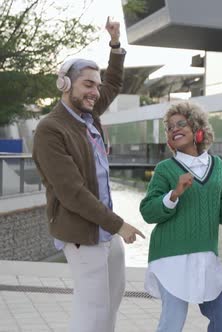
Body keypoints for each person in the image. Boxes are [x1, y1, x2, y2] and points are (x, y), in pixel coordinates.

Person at [32, 17, 145, 332]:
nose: (96, 92)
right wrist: (119, 224)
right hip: (82, 233)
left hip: (105, 230)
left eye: (97, 85)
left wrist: (115, 44)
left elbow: (115, 83)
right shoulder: (51, 129)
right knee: (92, 310)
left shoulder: (88, 113)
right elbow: (72, 192)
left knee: (112, 301)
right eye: (88, 84)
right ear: (66, 85)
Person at [139, 101, 222, 332]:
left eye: (181, 123)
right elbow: (148, 210)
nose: (174, 129)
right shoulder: (165, 169)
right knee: (173, 321)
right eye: (169, 127)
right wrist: (174, 194)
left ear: (197, 128)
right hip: (171, 257)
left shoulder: (216, 165)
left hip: (206, 255)